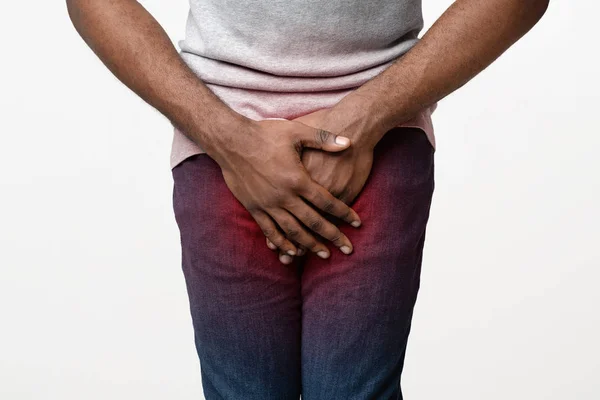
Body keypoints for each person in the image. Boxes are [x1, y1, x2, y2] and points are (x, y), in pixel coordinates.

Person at [66, 0, 549, 398]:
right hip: (224, 144)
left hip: (380, 131)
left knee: (350, 391)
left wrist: (364, 119)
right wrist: (230, 140)